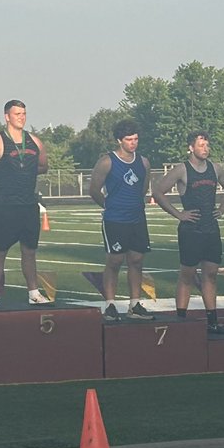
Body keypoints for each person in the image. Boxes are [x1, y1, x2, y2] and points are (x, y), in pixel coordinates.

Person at [152, 131, 224, 335]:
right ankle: (180, 319)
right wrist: (179, 214)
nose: (205, 148)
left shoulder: (215, 169)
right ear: (191, 147)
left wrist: (222, 209)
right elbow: (157, 192)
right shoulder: (182, 169)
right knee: (187, 275)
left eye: (207, 145)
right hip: (190, 230)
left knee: (211, 275)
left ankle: (213, 322)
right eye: (201, 145)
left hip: (211, 229)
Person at [0, 99, 51, 308]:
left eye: (24, 113)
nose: (21, 117)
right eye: (17, 114)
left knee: (29, 250)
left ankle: (33, 292)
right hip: (5, 205)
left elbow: (44, 166)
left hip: (28, 204)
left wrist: (25, 172)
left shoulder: (34, 141)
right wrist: (0, 174)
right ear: (7, 116)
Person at [88, 120, 155, 322]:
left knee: (136, 260)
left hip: (137, 218)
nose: (133, 143)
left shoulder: (143, 162)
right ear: (119, 140)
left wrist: (134, 203)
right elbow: (94, 190)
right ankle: (110, 304)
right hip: (115, 219)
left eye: (135, 139)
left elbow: (144, 187)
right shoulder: (107, 161)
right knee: (115, 260)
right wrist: (109, 206)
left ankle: (135, 304)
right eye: (128, 139)